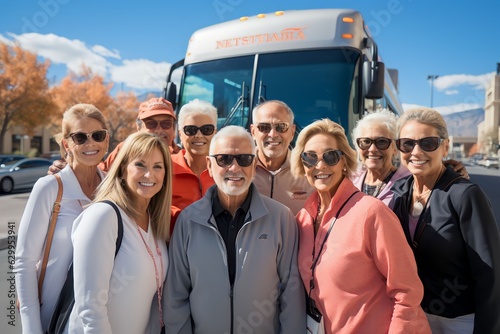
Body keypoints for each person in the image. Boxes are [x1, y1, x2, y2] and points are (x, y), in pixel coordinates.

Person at [290, 118, 430, 334]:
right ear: (302, 164)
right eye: (310, 157)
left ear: (345, 161)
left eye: (331, 156)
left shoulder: (372, 213)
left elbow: (407, 292)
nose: (320, 165)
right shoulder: (302, 219)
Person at [165, 125, 305, 333]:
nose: (234, 168)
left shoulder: (281, 218)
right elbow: (176, 296)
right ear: (209, 165)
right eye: (224, 159)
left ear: (254, 165)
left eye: (244, 159)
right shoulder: (188, 221)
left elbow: (291, 295)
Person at [390, 107, 500, 333]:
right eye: (407, 144)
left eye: (428, 143)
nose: (416, 152)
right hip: (415, 316)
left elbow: (490, 273)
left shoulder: (465, 195)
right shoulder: (399, 193)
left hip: (459, 321)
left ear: (446, 146)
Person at [15, 103, 109, 333]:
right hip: (52, 317)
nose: (90, 144)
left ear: (107, 140)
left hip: (97, 320)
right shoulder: (49, 187)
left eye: (97, 135)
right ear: (66, 144)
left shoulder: (112, 187)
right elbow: (24, 263)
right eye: (80, 137)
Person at [67, 131, 172, 333]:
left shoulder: (155, 221)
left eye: (157, 167)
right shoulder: (103, 216)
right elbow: (90, 308)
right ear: (123, 169)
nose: (149, 174)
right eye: (140, 164)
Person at [351, 109, 469, 207]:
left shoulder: (408, 181)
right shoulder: (350, 177)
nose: (372, 149)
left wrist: (446, 168)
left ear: (396, 147)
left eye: (382, 142)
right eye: (365, 142)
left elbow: (431, 170)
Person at [48, 96, 180, 174]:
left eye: (166, 124)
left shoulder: (185, 158)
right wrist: (68, 170)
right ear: (138, 127)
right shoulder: (124, 150)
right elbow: (97, 172)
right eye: (151, 124)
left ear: (173, 128)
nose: (158, 130)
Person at [250, 100, 314, 214]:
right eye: (264, 127)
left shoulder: (308, 171)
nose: (273, 134)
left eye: (281, 127)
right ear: (253, 132)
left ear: (292, 132)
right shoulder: (239, 168)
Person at [170, 99, 216, 231]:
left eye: (207, 129)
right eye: (191, 130)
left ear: (215, 132)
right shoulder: (164, 167)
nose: (199, 135)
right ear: (180, 134)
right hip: (172, 248)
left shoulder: (225, 170)